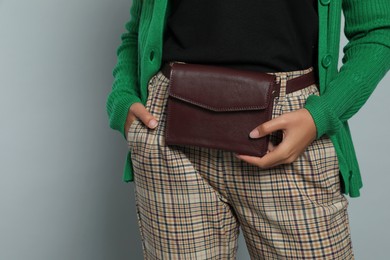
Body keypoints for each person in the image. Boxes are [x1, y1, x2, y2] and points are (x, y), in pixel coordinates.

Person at [106, 0, 389, 259]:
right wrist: (122, 96)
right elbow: (139, 25)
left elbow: (378, 30)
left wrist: (320, 116)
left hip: (289, 129)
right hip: (172, 127)